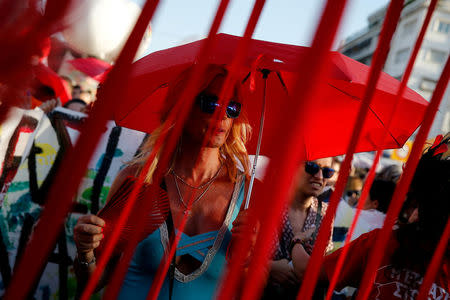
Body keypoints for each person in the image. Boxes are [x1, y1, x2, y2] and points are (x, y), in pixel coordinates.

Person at [73, 65, 256, 300]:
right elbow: (92, 282)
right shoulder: (138, 179)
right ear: (183, 107)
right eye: (211, 103)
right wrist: (85, 252)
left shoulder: (248, 194)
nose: (222, 115)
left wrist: (250, 256)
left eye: (232, 107)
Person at [292, 135, 450, 299]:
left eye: (327, 171)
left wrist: (296, 241)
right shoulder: (381, 242)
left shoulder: (381, 243)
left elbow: (307, 271)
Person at [264, 158, 335, 299]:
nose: (319, 176)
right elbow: (236, 256)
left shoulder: (325, 213)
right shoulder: (265, 205)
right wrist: (269, 267)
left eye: (327, 172)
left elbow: (322, 265)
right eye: (312, 167)